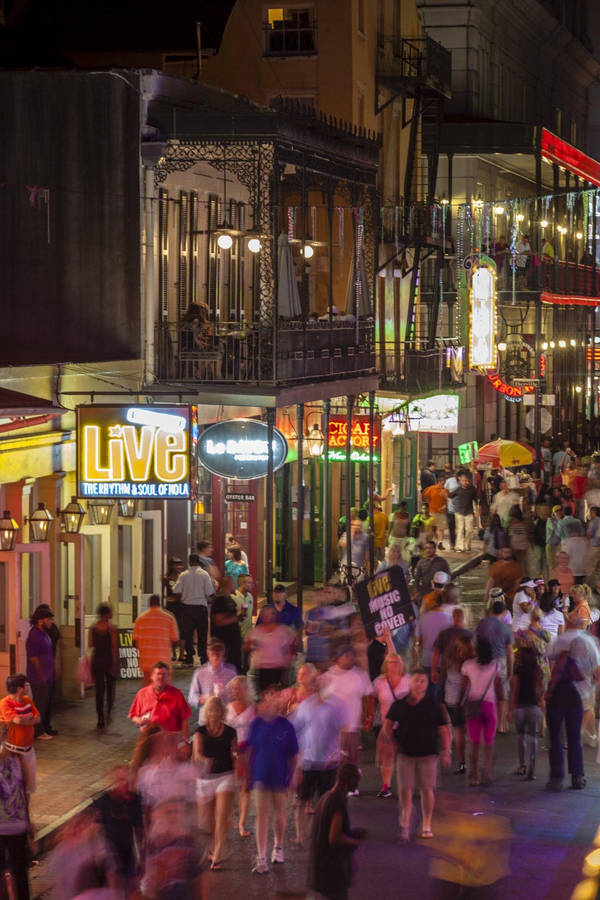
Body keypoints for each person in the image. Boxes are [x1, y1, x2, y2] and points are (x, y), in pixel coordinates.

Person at [384, 666, 451, 842]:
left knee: (427, 789)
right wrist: (391, 742)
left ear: (427, 684)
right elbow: (387, 725)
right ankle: (405, 825)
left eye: (423, 681)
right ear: (410, 681)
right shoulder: (399, 704)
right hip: (405, 754)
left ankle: (426, 824)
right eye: (416, 680)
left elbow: (443, 729)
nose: (419, 684)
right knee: (405, 790)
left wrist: (446, 751)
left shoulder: (433, 705)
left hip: (428, 754)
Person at [246, 684, 299, 874]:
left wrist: (293, 776)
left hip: (280, 775)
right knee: (261, 815)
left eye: (273, 697)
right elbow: (250, 750)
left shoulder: (286, 726)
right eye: (267, 697)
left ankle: (278, 846)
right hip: (260, 775)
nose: (270, 701)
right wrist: (247, 775)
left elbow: (294, 754)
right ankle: (261, 857)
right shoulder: (256, 724)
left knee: (280, 814)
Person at [290, 674, 345, 844]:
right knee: (301, 800)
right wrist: (296, 760)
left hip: (328, 764)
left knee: (326, 802)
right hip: (308, 762)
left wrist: (338, 754)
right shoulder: (305, 706)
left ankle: (324, 834)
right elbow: (295, 729)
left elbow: (342, 731)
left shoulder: (336, 707)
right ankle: (300, 836)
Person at [309, 763, 366, 900]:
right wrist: (354, 841)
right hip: (332, 870)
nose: (357, 786)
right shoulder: (337, 803)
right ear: (349, 783)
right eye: (357, 782)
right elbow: (334, 837)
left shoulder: (325, 798)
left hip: (320, 866)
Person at [193, 695, 237, 871]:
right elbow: (196, 754)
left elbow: (234, 752)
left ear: (222, 712)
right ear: (206, 712)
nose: (214, 713)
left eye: (217, 710)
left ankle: (217, 853)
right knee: (206, 822)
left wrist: (238, 759)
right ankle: (211, 846)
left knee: (221, 816)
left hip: (225, 776)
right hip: (204, 778)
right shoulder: (199, 732)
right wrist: (204, 760)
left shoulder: (230, 732)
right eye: (211, 710)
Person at [320, 644, 375, 771]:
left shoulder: (360, 675)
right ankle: (334, 787)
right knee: (333, 761)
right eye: (345, 655)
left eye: (351, 655)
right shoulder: (327, 676)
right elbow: (319, 701)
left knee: (353, 760)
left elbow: (369, 696)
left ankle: (352, 787)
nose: (348, 658)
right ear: (338, 658)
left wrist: (369, 716)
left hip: (353, 726)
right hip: (333, 728)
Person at [460, 636, 503, 786]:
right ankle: (487, 772)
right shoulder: (496, 666)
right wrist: (502, 712)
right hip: (490, 707)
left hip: (473, 706)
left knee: (475, 743)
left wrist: (461, 705)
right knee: (489, 742)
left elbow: (464, 689)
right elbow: (499, 691)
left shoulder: (467, 665)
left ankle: (476, 776)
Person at [92, 764, 143, 890]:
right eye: (119, 780)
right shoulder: (104, 801)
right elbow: (96, 828)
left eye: (125, 780)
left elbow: (140, 829)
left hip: (129, 852)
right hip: (111, 851)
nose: (122, 784)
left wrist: (142, 855)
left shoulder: (134, 799)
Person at [545, 646, 586, 790]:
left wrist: (549, 691)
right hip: (575, 698)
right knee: (574, 738)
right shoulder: (583, 656)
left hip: (558, 697)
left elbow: (557, 672)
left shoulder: (564, 654)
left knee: (556, 738)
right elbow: (582, 677)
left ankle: (557, 777)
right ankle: (577, 777)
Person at [373, 654, 411, 797]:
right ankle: (386, 786)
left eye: (397, 662)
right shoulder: (379, 682)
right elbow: (373, 700)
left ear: (402, 664)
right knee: (387, 756)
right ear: (385, 664)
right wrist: (369, 716)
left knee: (405, 756)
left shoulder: (408, 680)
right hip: (386, 724)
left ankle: (407, 785)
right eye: (391, 662)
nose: (394, 664)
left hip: (406, 725)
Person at [0, 739, 33, 900]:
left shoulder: (19, 757)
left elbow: (25, 792)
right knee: (19, 873)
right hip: (12, 826)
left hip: (17, 827)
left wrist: (28, 821)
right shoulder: (19, 757)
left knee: (20, 873)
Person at [476, 599, 514, 733]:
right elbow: (510, 652)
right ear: (504, 612)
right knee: (502, 694)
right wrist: (510, 670)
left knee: (486, 692)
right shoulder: (506, 628)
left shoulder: (482, 624)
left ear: (491, 610)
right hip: (501, 661)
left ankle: (487, 720)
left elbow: (477, 643)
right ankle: (501, 724)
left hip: (485, 660)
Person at [172, 553, 215, 666]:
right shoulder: (205, 574)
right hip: (201, 607)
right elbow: (209, 592)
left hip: (187, 608)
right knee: (202, 634)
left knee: (188, 634)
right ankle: (203, 658)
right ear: (198, 562)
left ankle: (190, 657)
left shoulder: (183, 575)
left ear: (189, 561)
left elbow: (176, 590)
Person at [225, 675, 255, 838]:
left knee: (245, 788)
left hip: (247, 751)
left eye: (238, 688)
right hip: (229, 750)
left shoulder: (253, 708)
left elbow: (256, 732)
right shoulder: (227, 707)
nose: (235, 691)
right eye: (233, 688)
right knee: (229, 786)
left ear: (246, 689)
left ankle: (242, 822)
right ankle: (229, 818)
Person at [129, 661, 191, 737]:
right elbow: (133, 715)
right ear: (152, 676)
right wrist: (140, 720)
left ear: (168, 677)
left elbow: (184, 720)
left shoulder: (177, 694)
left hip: (170, 738)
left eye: (164, 674)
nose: (161, 677)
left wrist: (185, 741)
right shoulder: (142, 693)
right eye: (158, 674)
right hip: (148, 737)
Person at [0, 674, 40, 794]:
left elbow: (38, 718)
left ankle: (26, 810)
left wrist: (23, 719)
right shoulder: (5, 703)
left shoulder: (27, 700)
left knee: (29, 785)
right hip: (11, 750)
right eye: (26, 685)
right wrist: (29, 717)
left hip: (28, 749)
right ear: (19, 689)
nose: (28, 687)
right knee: (13, 785)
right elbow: (16, 720)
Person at [509, 645, 543, 780]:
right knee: (533, 738)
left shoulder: (518, 670)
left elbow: (515, 690)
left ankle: (522, 766)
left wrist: (511, 709)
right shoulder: (538, 670)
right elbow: (539, 690)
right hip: (533, 707)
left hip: (520, 707)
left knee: (521, 737)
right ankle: (532, 770)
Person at [441, 634, 474, 775]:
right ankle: (471, 762)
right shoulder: (472, 662)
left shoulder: (449, 662)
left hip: (453, 700)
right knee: (469, 732)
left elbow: (443, 678)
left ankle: (462, 762)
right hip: (469, 701)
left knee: (459, 732)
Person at [245, 605, 296, 693]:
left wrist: (289, 659)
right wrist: (251, 645)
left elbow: (293, 645)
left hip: (279, 669)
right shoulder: (256, 631)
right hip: (261, 670)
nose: (268, 616)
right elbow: (246, 647)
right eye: (265, 614)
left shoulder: (283, 631)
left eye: (270, 613)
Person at [133, 594, 179, 686]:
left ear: (149, 604)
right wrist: (171, 652)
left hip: (146, 664)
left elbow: (134, 641)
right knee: (165, 693)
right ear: (160, 603)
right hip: (164, 663)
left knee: (148, 694)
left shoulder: (140, 619)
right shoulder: (169, 618)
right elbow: (175, 640)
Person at [188, 638, 237, 723]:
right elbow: (192, 697)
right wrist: (206, 698)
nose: (215, 657)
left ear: (223, 654)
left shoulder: (231, 672)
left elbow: (236, 695)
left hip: (225, 718)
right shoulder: (200, 672)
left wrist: (225, 695)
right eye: (213, 654)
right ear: (208, 654)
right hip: (206, 718)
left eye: (218, 654)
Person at [25, 604, 55, 741]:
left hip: (48, 675)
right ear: (41, 620)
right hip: (39, 677)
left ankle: (40, 728)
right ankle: (37, 731)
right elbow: (33, 658)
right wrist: (41, 674)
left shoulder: (44, 634)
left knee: (44, 702)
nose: (51, 622)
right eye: (49, 619)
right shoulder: (34, 635)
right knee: (39, 704)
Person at [88, 602, 119, 730]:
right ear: (107, 614)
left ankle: (100, 718)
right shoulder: (112, 629)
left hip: (97, 660)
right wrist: (115, 663)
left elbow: (90, 645)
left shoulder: (92, 628)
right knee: (110, 688)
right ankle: (108, 712)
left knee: (99, 690)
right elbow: (114, 647)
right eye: (111, 611)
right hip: (108, 660)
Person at [210, 590, 242, 672]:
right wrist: (235, 618)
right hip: (225, 644)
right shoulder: (220, 600)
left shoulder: (230, 599)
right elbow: (219, 621)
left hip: (233, 644)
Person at [485, 546, 523, 611]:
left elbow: (517, 583)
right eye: (504, 552)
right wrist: (487, 594)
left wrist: (512, 596)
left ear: (511, 554)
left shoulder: (517, 566)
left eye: (507, 552)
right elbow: (491, 581)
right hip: (496, 596)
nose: (505, 554)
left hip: (510, 598)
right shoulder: (495, 565)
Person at [448, 471, 478, 552]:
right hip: (459, 512)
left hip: (469, 512)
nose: (465, 482)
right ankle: (460, 546)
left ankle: (467, 545)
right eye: (463, 480)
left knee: (469, 530)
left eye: (466, 480)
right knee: (460, 530)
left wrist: (477, 510)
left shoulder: (472, 489)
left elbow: (476, 500)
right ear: (460, 481)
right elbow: (450, 495)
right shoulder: (458, 489)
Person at [162, 556, 184, 662]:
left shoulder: (181, 577)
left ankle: (181, 652)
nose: (178, 566)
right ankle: (173, 652)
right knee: (170, 629)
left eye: (179, 564)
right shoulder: (167, 578)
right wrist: (166, 599)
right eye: (176, 564)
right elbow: (162, 591)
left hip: (180, 605)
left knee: (180, 628)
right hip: (171, 606)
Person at [423, 475, 449, 549]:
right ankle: (431, 542)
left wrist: (445, 499)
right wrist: (428, 504)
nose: (442, 485)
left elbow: (448, 501)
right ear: (438, 482)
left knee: (441, 528)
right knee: (432, 528)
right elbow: (425, 496)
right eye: (441, 484)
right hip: (432, 511)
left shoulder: (446, 490)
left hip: (441, 512)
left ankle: (440, 543)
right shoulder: (431, 489)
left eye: (444, 484)